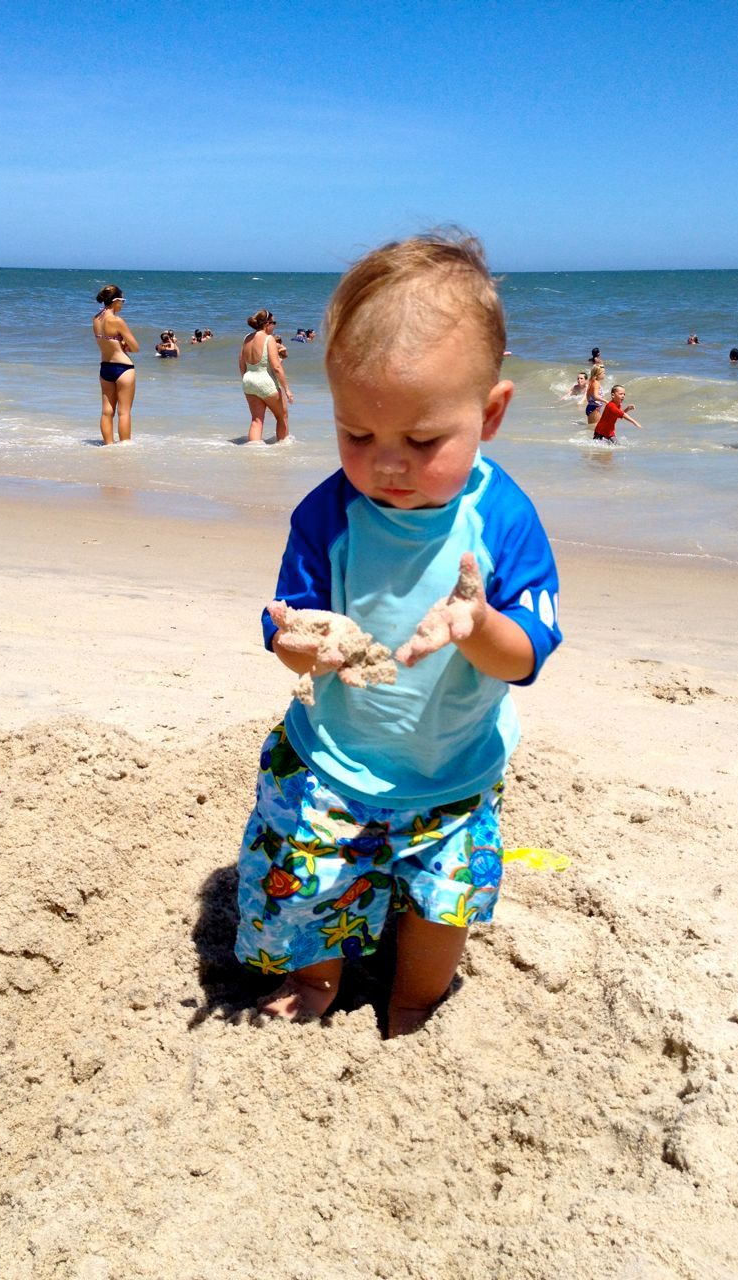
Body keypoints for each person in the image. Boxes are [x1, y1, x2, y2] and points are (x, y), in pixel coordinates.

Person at [234, 231, 562, 1037]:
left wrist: (477, 624)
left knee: (440, 909)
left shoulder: (502, 519)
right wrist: (300, 644)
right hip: (335, 762)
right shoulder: (327, 514)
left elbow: (527, 657)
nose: (386, 465)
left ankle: (413, 1000)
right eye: (357, 436)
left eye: (422, 441)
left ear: (490, 413)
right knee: (308, 884)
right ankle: (318, 980)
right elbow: (290, 620)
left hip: (451, 771)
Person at [92, 284, 139, 445]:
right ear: (115, 301)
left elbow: (106, 342)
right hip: (123, 368)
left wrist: (118, 342)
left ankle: (108, 446)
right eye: (122, 301)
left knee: (106, 412)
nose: (123, 304)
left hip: (105, 367)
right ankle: (125, 447)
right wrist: (125, 344)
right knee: (124, 412)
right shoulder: (117, 321)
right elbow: (135, 347)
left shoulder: (96, 319)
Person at [239, 310, 292, 443]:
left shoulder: (247, 338)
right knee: (282, 417)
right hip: (266, 381)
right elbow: (276, 367)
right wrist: (287, 389)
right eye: (274, 322)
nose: (275, 325)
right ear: (267, 324)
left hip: (248, 380)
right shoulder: (269, 339)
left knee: (256, 420)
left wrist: (247, 380)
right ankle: (283, 449)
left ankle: (253, 451)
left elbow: (241, 363)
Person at [585, 364, 606, 428]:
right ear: (598, 374)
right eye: (603, 373)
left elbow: (587, 394)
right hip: (594, 409)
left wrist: (590, 403)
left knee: (592, 428)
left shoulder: (592, 382)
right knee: (598, 428)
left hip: (591, 407)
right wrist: (606, 401)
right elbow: (595, 396)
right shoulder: (596, 383)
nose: (605, 374)